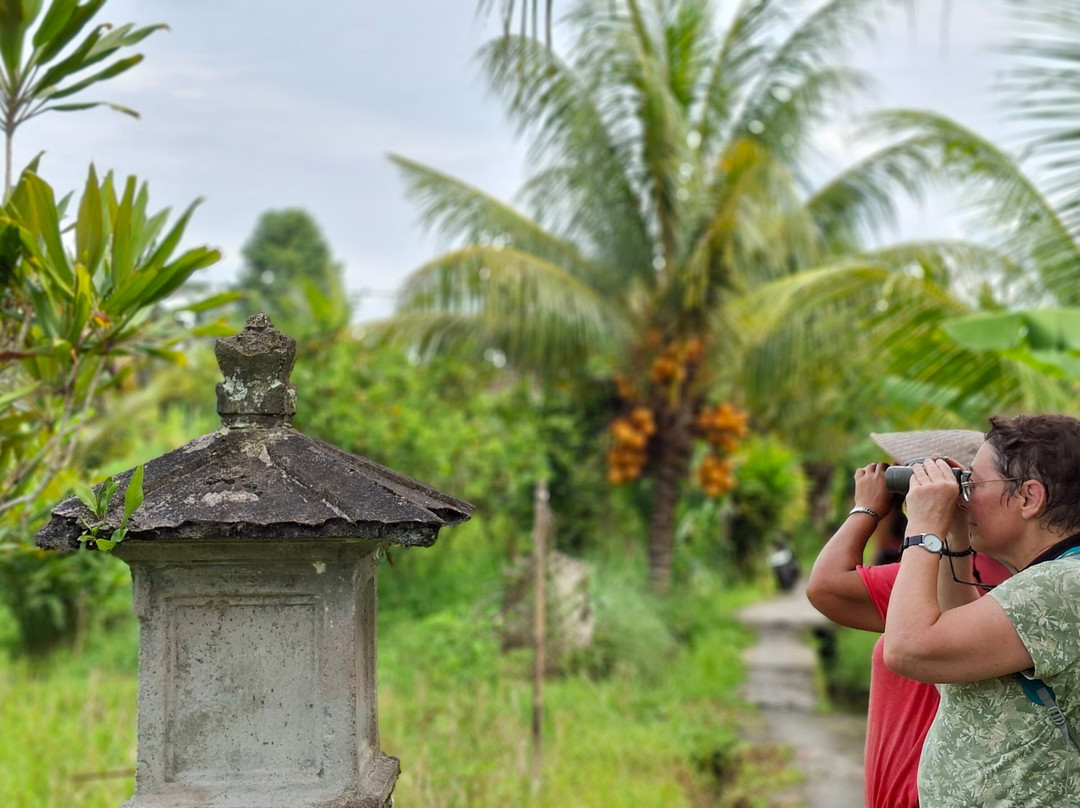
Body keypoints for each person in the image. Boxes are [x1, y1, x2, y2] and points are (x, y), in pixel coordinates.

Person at [883, 414, 1080, 806]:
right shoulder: (1056, 579)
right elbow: (950, 664)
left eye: (972, 484)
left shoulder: (1060, 585)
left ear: (1029, 498)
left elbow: (907, 648)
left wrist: (923, 527)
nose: (962, 496)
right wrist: (954, 534)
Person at [806, 431, 1010, 808]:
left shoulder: (935, 575)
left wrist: (867, 509)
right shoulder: (1015, 572)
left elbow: (826, 587)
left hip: (922, 793)